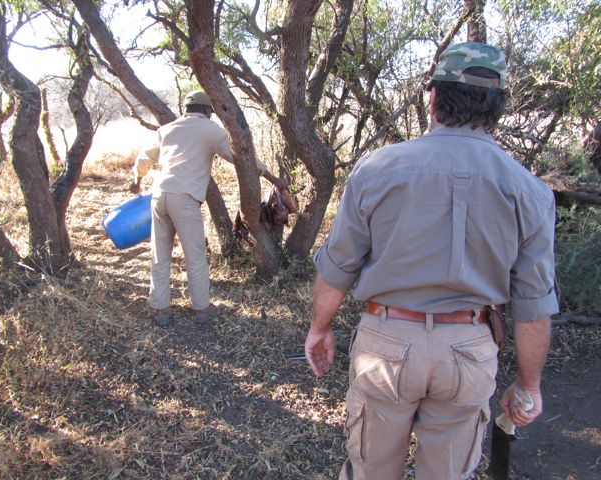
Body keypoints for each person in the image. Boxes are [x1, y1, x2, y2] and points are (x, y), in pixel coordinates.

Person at [304, 43, 558, 480]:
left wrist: (320, 327)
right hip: (470, 349)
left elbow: (338, 266)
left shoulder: (377, 169)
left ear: (434, 100)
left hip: (386, 345)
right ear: (497, 109)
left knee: (370, 472)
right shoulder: (530, 191)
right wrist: (529, 385)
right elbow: (534, 304)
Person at [130, 90, 286, 327]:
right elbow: (242, 159)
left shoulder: (168, 129)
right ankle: (201, 310)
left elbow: (144, 156)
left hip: (159, 195)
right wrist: (272, 178)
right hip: (185, 198)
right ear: (206, 110)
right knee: (195, 256)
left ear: (186, 110)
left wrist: (137, 179)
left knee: (159, 256)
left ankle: (161, 310)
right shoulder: (212, 131)